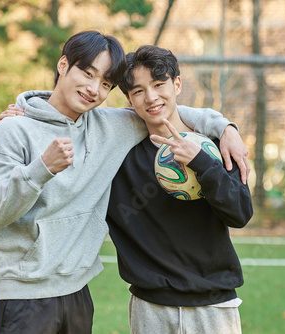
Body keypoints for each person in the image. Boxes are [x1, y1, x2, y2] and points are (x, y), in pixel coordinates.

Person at [0, 31, 249, 334]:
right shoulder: (13, 130)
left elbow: (160, 111)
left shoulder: (111, 127)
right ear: (63, 65)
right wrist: (40, 168)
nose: (94, 89)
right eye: (87, 73)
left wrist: (224, 126)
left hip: (77, 292)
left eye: (105, 83)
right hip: (21, 295)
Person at [106, 45, 253, 334]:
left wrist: (201, 162)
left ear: (177, 84)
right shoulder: (117, 154)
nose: (151, 97)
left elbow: (240, 213)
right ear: (128, 99)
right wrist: (24, 113)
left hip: (214, 306)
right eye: (138, 91)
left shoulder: (215, 143)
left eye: (159, 85)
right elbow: (72, 118)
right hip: (151, 307)